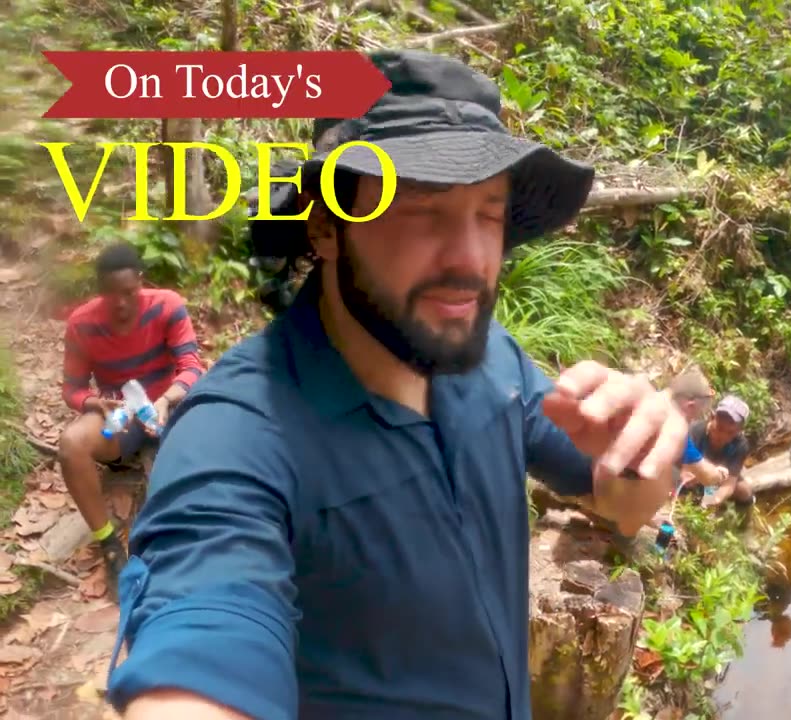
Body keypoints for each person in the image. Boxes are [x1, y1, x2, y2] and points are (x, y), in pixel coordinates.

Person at [106, 51, 687, 720]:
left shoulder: (493, 360)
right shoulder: (238, 436)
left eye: (489, 214)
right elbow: (203, 628)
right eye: (421, 208)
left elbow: (619, 500)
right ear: (326, 226)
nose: (471, 260)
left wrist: (644, 454)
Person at [57, 243, 204, 592]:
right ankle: (109, 543)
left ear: (141, 281)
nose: (120, 303)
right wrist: (95, 404)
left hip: (168, 410)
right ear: (99, 291)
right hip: (120, 420)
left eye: (128, 292)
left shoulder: (168, 306)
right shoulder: (82, 324)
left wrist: (167, 400)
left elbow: (192, 366)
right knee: (71, 445)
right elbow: (72, 389)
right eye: (110, 294)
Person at [669, 371, 732, 491]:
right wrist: (719, 474)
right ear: (690, 406)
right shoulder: (675, 429)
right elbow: (708, 477)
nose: (692, 421)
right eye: (694, 417)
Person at [689, 395, 755, 508]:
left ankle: (737, 516)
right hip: (692, 474)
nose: (722, 436)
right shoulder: (695, 432)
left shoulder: (740, 445)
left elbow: (729, 483)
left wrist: (716, 498)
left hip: (717, 479)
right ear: (712, 417)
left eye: (730, 432)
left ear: (739, 431)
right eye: (719, 428)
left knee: (744, 491)